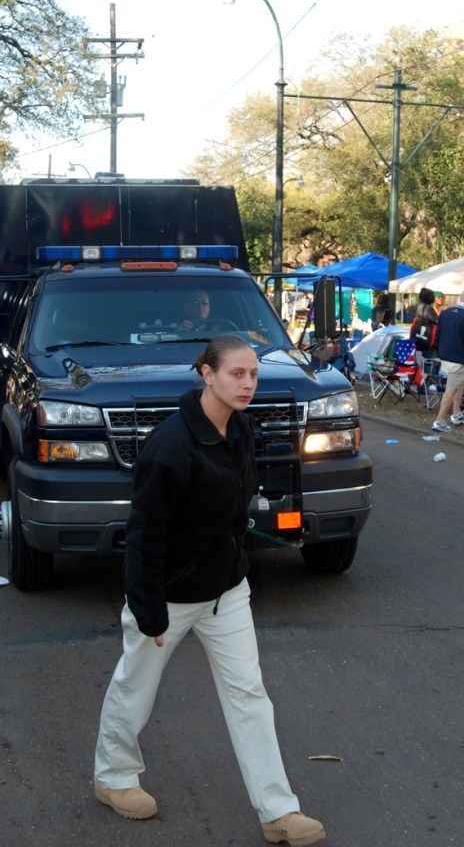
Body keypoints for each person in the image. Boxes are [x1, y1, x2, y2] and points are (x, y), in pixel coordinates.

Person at [94, 335, 325, 847]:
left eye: (253, 375)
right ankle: (113, 777)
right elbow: (145, 534)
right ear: (207, 374)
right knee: (135, 686)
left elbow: (232, 508)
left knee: (250, 696)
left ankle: (278, 812)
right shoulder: (171, 446)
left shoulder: (241, 428)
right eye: (236, 374)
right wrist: (149, 610)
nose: (247, 384)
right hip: (169, 596)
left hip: (226, 591)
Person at [432, 289, 464, 433]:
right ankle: (439, 421)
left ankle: (457, 413)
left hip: (445, 355)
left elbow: (438, 335)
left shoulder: (445, 313)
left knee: (460, 383)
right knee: (452, 389)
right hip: (458, 357)